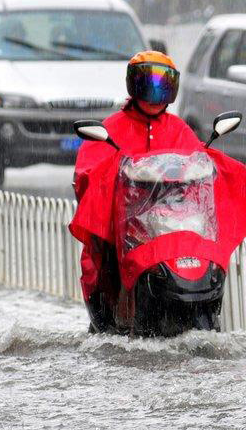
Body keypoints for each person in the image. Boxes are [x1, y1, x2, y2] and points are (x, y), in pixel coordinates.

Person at [72, 50, 204, 331]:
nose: (155, 95)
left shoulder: (180, 130)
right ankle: (110, 317)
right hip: (123, 231)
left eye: (162, 86)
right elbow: (86, 176)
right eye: (148, 85)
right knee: (104, 263)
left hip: (171, 228)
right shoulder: (110, 129)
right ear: (133, 85)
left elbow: (199, 166)